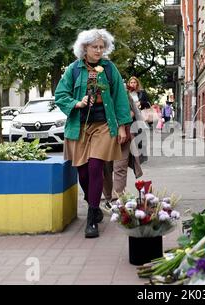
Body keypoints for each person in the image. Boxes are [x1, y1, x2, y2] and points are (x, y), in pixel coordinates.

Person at [55, 29, 132, 238]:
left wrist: (123, 125)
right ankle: (95, 206)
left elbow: (119, 97)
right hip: (79, 126)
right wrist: (77, 102)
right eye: (94, 47)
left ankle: (91, 219)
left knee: (96, 166)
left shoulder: (109, 69)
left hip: (103, 125)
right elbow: (60, 95)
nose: (99, 50)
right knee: (83, 172)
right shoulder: (73, 70)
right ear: (84, 48)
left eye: (101, 47)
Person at [101, 88, 145, 210]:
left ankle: (117, 199)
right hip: (104, 135)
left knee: (120, 167)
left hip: (123, 134)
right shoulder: (98, 92)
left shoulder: (122, 92)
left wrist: (121, 120)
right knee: (106, 168)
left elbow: (132, 112)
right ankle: (108, 197)